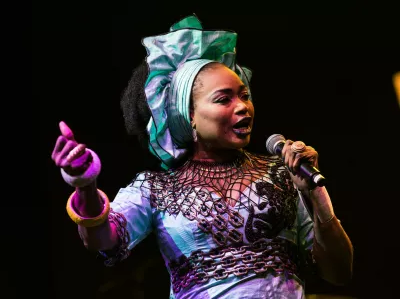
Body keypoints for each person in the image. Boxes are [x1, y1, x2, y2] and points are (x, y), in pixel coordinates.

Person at [51, 15, 353, 299]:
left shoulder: (282, 173)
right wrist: (85, 186)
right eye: (224, 99)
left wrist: (317, 196)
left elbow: (338, 273)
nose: (243, 106)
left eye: (244, 95)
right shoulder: (156, 188)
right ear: (190, 116)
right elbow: (102, 240)